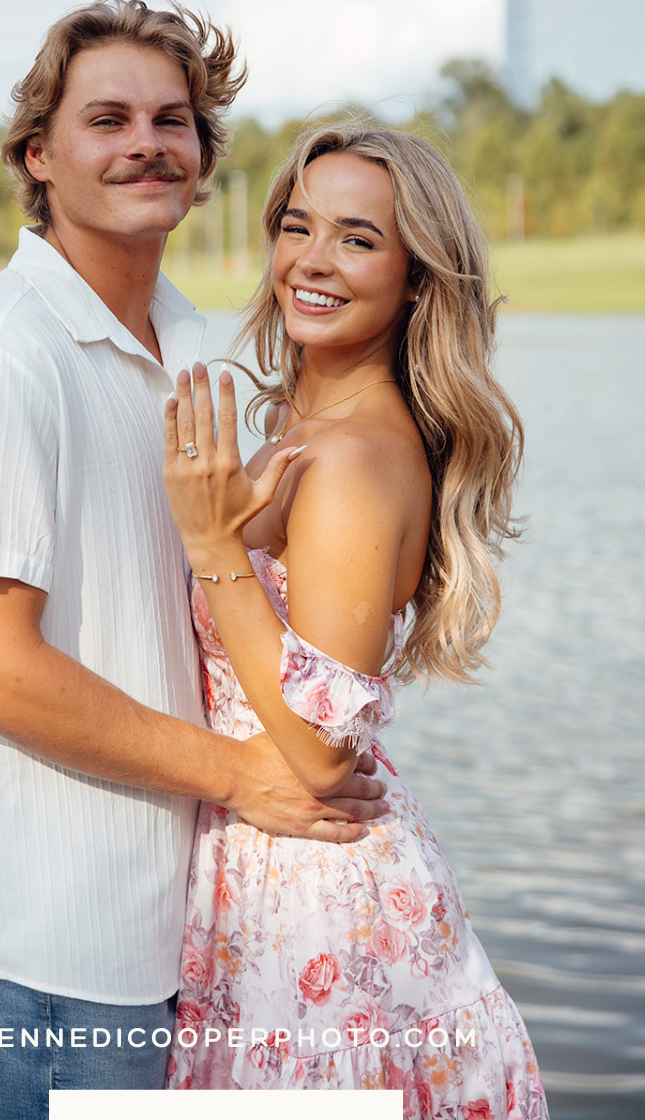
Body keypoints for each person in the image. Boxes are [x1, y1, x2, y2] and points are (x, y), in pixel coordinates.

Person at [0, 0, 386, 1113]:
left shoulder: (194, 345)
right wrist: (244, 778)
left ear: (203, 163)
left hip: (190, 923)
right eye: (106, 118)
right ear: (37, 157)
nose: (146, 142)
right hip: (58, 940)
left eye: (173, 120)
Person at [161, 118, 551, 1114]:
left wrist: (212, 549)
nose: (312, 261)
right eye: (297, 226)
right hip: (266, 869)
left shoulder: (350, 459)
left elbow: (325, 752)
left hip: (313, 901)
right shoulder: (311, 424)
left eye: (358, 237)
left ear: (417, 276)